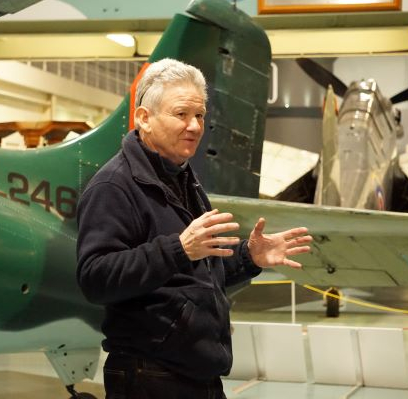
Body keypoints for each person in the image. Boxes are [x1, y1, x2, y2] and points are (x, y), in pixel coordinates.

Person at [76, 58, 312, 399]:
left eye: (200, 116)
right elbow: (94, 279)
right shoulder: (113, 186)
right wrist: (178, 248)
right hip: (149, 377)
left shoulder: (182, 178)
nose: (194, 126)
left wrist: (249, 257)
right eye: (181, 114)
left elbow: (195, 272)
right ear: (144, 118)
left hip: (196, 375)